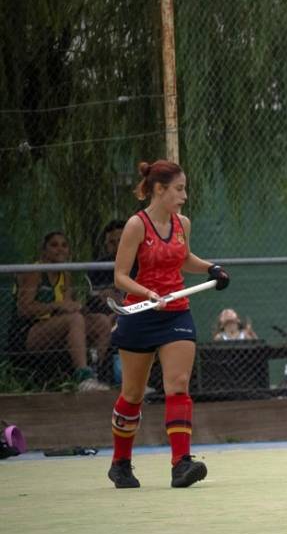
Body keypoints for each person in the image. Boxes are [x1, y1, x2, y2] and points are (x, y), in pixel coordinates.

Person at [106, 160, 230, 489]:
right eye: (178, 189)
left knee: (178, 383)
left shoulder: (182, 224)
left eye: (184, 189)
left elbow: (184, 258)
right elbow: (120, 275)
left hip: (176, 311)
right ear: (159, 190)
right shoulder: (137, 225)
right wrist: (147, 291)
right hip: (140, 313)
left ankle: (181, 464)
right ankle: (120, 463)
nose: (184, 195)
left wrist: (211, 269)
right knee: (132, 394)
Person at [12, 231, 112, 391]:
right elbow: (24, 309)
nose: (60, 249)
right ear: (43, 250)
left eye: (64, 245)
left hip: (57, 326)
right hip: (29, 332)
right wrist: (58, 306)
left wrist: (79, 307)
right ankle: (83, 378)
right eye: (54, 245)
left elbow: (67, 307)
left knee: (102, 321)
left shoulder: (65, 274)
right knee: (74, 320)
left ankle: (95, 373)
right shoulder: (34, 272)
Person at [86, 220, 127, 314]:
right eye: (112, 242)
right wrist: (102, 295)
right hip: (107, 312)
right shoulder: (97, 268)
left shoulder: (143, 262)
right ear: (106, 244)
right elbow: (91, 299)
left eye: (121, 241)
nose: (117, 246)